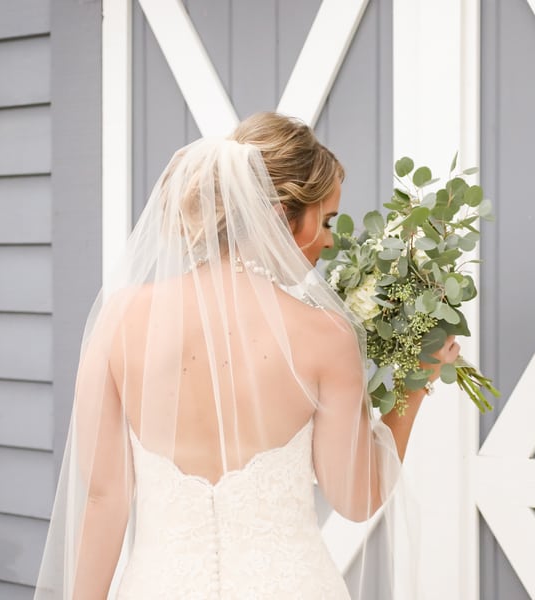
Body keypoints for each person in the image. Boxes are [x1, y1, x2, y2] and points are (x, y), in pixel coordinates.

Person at [35, 112, 459, 599]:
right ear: (280, 216)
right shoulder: (325, 335)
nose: (329, 241)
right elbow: (357, 497)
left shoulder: (121, 319)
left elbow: (103, 499)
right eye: (325, 221)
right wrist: (416, 380)